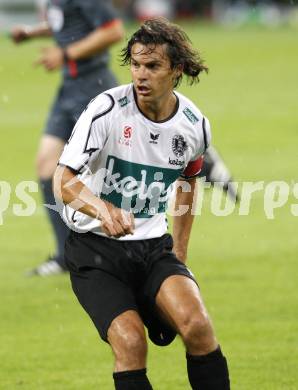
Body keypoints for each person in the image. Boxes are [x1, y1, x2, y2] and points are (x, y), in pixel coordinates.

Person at [53, 18, 230, 389]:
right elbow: (63, 181)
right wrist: (103, 210)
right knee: (131, 343)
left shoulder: (194, 125)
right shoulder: (106, 109)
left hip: (153, 249)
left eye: (153, 66)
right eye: (135, 64)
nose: (141, 75)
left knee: (198, 326)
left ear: (176, 70)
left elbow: (187, 182)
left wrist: (179, 252)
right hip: (94, 252)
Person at [10, 0, 124, 275]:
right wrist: (30, 33)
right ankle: (66, 256)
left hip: (93, 88)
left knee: (117, 168)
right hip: (69, 89)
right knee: (47, 167)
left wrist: (66, 54)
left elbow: (113, 31)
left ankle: (199, 164)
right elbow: (66, 24)